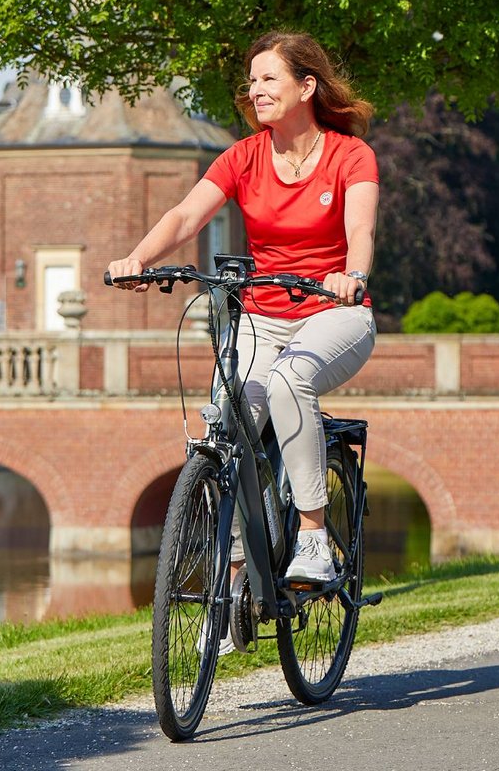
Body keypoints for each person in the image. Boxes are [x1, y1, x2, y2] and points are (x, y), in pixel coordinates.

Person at [108, 31, 379, 624]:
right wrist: (140, 258)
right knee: (226, 424)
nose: (255, 90)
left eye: (269, 79)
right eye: (251, 81)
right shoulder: (243, 156)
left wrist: (352, 273)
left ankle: (311, 535)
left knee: (287, 384)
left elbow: (360, 231)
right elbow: (185, 215)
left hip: (334, 315)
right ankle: (233, 575)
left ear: (307, 87)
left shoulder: (349, 156)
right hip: (261, 316)